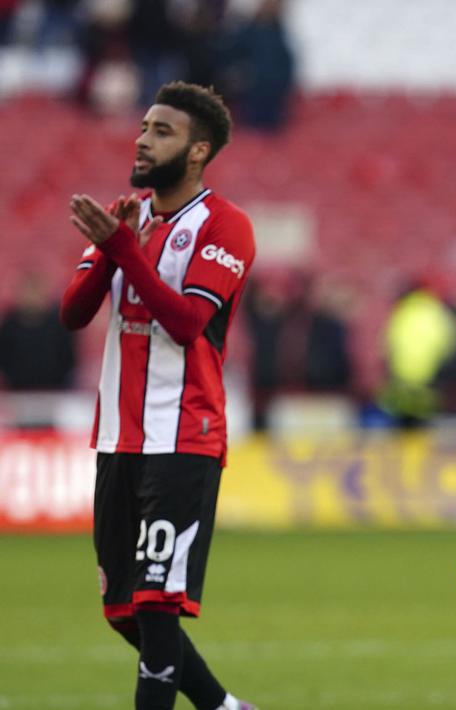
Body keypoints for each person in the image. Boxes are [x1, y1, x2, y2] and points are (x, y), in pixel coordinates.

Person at [59, 81, 256, 710]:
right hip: (119, 437)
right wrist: (114, 249)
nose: (143, 139)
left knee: (157, 604)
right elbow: (72, 311)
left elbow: (186, 321)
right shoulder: (131, 217)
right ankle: (224, 708)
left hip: (184, 435)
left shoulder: (225, 226)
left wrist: (122, 250)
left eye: (161, 131)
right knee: (124, 611)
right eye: (144, 126)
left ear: (198, 151)